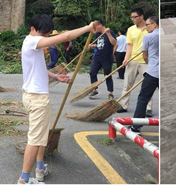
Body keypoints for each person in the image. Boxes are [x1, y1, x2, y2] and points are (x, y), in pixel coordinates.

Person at [16, 14, 98, 184]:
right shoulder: (32, 41)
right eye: (43, 33)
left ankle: (39, 168)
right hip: (37, 99)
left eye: (47, 34)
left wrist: (55, 76)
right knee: (34, 139)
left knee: (39, 135)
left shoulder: (30, 42)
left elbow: (38, 68)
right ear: (32, 29)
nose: (45, 37)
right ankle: (24, 179)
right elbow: (65, 36)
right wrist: (88, 28)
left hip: (32, 96)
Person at [130, 16, 161, 133]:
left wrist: (151, 63)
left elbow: (144, 56)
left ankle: (136, 126)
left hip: (152, 72)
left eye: (148, 25)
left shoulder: (148, 37)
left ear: (154, 25)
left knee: (143, 98)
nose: (146, 27)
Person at [119, 8, 152, 115]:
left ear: (141, 17)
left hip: (146, 62)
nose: (132, 19)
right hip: (132, 60)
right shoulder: (130, 30)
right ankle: (123, 105)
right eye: (131, 17)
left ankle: (148, 108)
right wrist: (126, 58)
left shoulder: (149, 29)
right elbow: (129, 45)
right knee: (127, 85)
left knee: (147, 85)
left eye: (135, 17)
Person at [86, 20, 118, 99]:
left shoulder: (110, 32)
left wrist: (108, 34)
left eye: (95, 27)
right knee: (92, 72)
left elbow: (114, 43)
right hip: (97, 57)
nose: (94, 29)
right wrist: (93, 46)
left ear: (100, 25)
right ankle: (94, 89)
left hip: (107, 57)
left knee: (107, 75)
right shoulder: (97, 34)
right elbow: (99, 45)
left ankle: (110, 92)